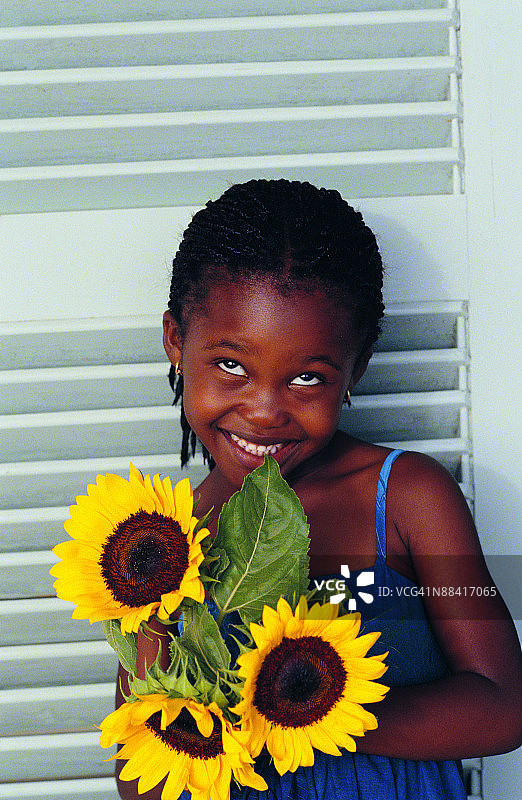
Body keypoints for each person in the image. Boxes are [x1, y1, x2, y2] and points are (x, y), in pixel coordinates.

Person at [115, 179, 522, 799]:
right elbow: (139, 782)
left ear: (354, 369)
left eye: (307, 376)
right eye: (231, 365)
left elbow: (502, 706)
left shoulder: (403, 498)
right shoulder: (158, 547)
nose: (264, 412)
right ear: (176, 341)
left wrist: (310, 712)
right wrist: (154, 629)